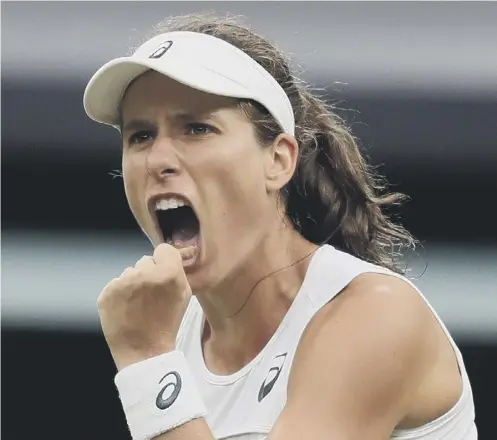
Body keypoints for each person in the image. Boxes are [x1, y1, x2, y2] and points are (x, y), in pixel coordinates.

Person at [83, 12, 477, 440]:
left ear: (278, 160)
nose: (157, 160)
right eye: (140, 136)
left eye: (197, 128)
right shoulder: (173, 333)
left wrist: (148, 360)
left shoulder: (375, 313)